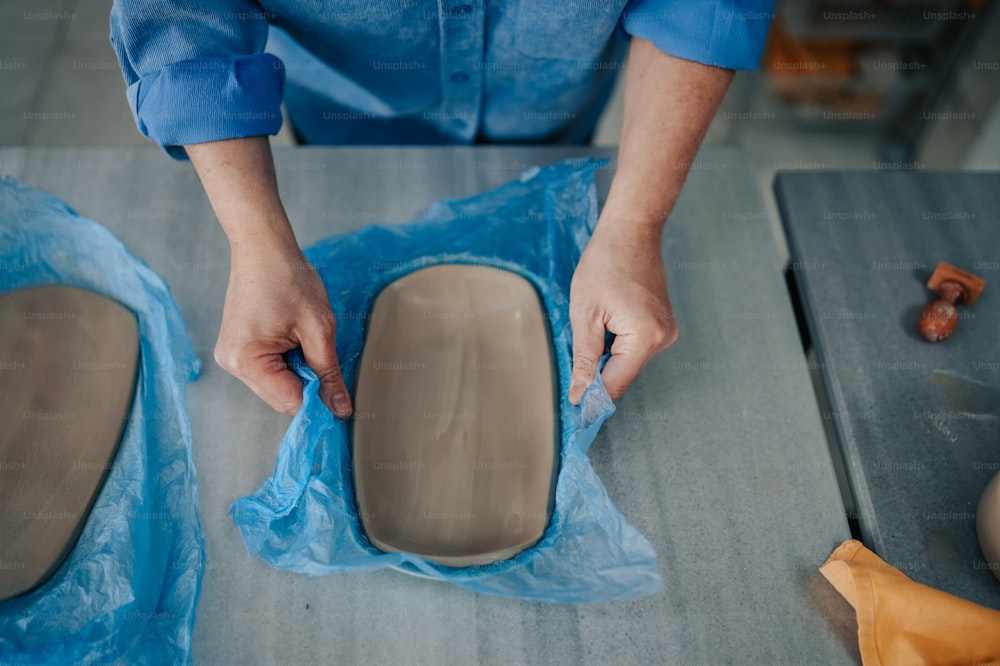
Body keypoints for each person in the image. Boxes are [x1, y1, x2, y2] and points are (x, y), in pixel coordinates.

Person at [110, 1, 773, 419]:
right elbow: (181, 17)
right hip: (344, 125)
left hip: (552, 112)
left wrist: (634, 221)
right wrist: (256, 243)